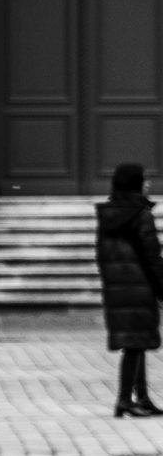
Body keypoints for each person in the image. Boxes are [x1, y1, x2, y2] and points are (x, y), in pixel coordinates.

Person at [99, 162, 163, 419]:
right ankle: (125, 399)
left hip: (118, 287)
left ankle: (142, 397)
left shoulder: (109, 214)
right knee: (135, 344)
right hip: (139, 286)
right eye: (143, 179)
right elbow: (152, 256)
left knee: (135, 343)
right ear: (135, 183)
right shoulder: (139, 213)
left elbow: (101, 254)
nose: (147, 183)